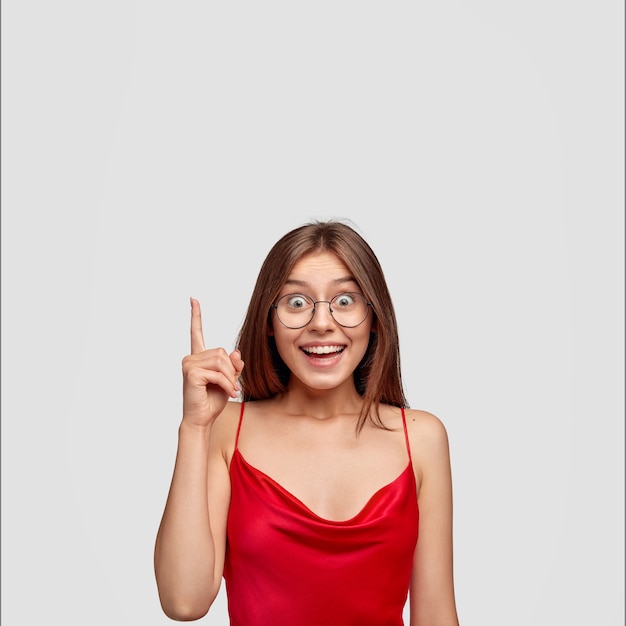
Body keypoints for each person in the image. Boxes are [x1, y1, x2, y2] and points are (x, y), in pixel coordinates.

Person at [154, 220, 460, 625]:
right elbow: (183, 601)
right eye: (296, 302)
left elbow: (436, 615)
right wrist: (194, 428)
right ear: (268, 321)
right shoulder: (224, 428)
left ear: (375, 316)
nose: (321, 322)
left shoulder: (420, 438)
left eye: (345, 300)